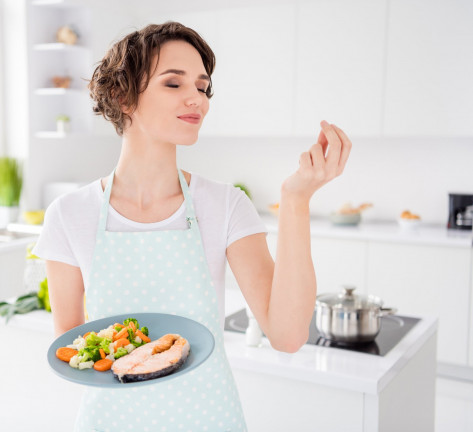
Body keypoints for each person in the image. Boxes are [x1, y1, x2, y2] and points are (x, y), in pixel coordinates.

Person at [33, 21, 352, 432]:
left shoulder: (225, 205)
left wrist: (296, 200)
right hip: (110, 422)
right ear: (122, 96)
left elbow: (287, 335)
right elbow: (74, 348)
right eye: (173, 84)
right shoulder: (68, 215)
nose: (196, 99)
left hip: (208, 418)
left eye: (202, 87)